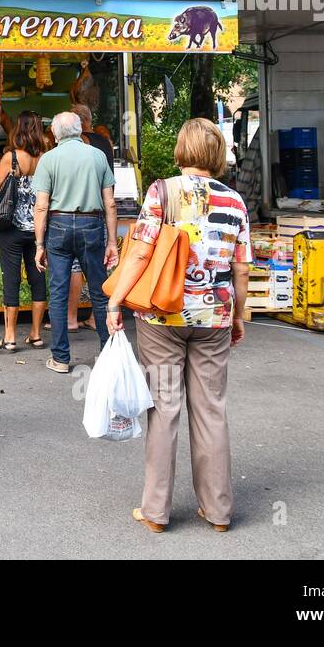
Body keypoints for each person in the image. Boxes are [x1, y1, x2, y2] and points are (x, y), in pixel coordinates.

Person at [103, 118, 250, 533]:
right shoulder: (236, 202)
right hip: (215, 316)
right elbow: (240, 270)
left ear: (181, 149)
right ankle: (219, 513)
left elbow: (140, 254)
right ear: (216, 153)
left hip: (162, 316)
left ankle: (155, 512)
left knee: (164, 408)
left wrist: (115, 301)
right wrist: (238, 317)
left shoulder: (162, 191)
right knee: (211, 410)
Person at [32, 111, 118, 373]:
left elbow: (41, 207)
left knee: (58, 294)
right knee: (99, 292)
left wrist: (39, 245)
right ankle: (107, 356)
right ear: (81, 130)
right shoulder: (98, 156)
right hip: (91, 225)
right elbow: (110, 203)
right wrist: (112, 241)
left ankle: (60, 359)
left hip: (58, 226)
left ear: (55, 133)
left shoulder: (48, 159)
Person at [0, 112, 50, 351]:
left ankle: (10, 337)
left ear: (17, 130)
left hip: (11, 227)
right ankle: (35, 334)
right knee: (38, 279)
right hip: (39, 228)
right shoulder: (46, 158)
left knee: (10, 279)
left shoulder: (10, 157)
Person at [67, 103, 115, 333]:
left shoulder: (81, 143)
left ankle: (71, 319)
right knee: (97, 269)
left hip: (80, 210)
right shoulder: (105, 142)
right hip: (100, 210)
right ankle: (99, 319)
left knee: (76, 267)